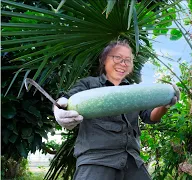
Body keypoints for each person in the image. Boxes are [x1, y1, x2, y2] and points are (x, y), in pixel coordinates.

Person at [53, 40, 180, 180]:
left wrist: (165, 104)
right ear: (104, 60)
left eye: (128, 60)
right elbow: (64, 101)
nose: (123, 63)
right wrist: (58, 111)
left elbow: (150, 117)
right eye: (117, 57)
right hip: (96, 161)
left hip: (132, 160)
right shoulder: (88, 84)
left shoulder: (135, 91)